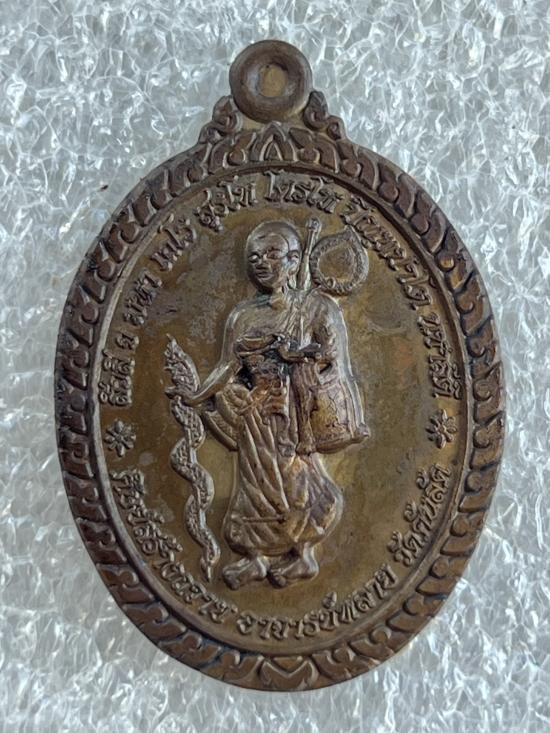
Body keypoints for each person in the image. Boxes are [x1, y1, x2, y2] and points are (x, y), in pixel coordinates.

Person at [182, 220, 367, 589]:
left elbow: (332, 358)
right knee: (255, 487)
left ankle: (304, 556)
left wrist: (299, 361)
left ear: (295, 261)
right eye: (254, 258)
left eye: (272, 255)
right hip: (255, 417)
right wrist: (197, 396)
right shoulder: (242, 315)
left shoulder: (316, 308)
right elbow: (228, 367)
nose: (262, 264)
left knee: (298, 484)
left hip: (293, 414)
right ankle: (254, 558)